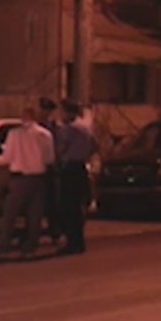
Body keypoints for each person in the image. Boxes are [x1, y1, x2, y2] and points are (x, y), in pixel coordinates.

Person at [0, 105, 56, 258]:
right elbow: (50, 159)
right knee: (35, 215)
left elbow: (7, 158)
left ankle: (4, 247)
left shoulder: (14, 134)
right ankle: (30, 248)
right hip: (39, 178)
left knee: (10, 214)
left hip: (19, 179)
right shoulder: (45, 135)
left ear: (23, 117)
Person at [55, 99, 97, 255]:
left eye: (62, 111)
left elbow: (62, 148)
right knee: (78, 207)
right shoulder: (85, 128)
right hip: (80, 168)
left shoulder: (70, 129)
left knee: (69, 207)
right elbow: (94, 147)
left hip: (70, 168)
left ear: (68, 112)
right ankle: (79, 242)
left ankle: (72, 242)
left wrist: (58, 158)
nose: (60, 115)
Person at [37, 97, 62, 245]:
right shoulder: (35, 127)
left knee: (52, 202)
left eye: (47, 110)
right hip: (36, 169)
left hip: (51, 169)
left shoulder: (54, 128)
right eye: (43, 110)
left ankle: (55, 232)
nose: (45, 113)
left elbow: (57, 148)